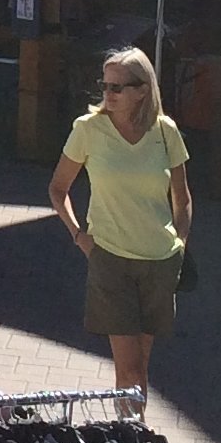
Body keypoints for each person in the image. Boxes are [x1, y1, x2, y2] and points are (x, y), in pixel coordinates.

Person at [48, 48, 192, 401]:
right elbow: (58, 188)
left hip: (159, 261)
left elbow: (183, 197)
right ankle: (132, 440)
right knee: (128, 368)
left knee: (140, 366)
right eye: (105, 85)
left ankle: (134, 439)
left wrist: (181, 245)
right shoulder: (88, 129)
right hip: (110, 259)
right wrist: (79, 236)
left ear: (142, 91)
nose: (107, 94)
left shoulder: (165, 131)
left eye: (117, 87)